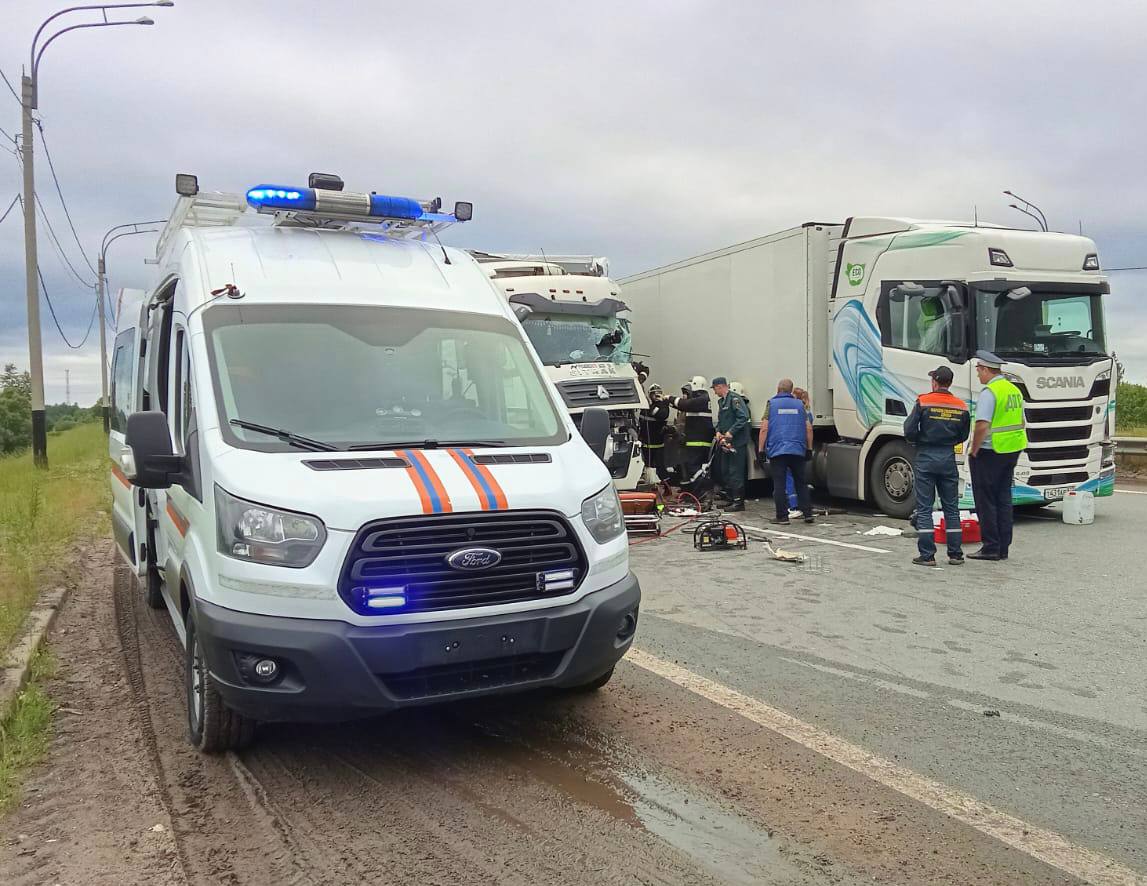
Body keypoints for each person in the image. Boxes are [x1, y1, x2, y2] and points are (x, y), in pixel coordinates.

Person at [903, 366, 971, 567]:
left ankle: (927, 555)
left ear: (935, 382)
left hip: (926, 456)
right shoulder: (961, 406)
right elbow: (964, 435)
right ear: (949, 383)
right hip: (948, 457)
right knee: (951, 508)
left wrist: (918, 441)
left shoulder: (923, 401)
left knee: (924, 508)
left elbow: (909, 429)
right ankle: (955, 554)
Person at [968, 350, 1028, 561]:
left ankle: (990, 546)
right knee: (1003, 498)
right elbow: (1021, 421)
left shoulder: (990, 392)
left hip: (990, 450)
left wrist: (974, 449)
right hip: (1012, 449)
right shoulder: (1013, 390)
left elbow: (982, 424)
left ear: (986, 369)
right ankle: (1003, 546)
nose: (978, 375)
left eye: (979, 371)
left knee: (986, 500)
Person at [759, 378, 814, 525]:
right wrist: (809, 448)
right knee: (801, 482)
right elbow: (808, 428)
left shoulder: (771, 404)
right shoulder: (800, 405)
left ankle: (782, 517)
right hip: (797, 449)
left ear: (778, 388)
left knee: (779, 484)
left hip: (778, 450)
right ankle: (808, 514)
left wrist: (761, 450)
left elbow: (764, 428)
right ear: (791, 390)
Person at [711, 377, 750, 511]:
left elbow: (743, 417)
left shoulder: (734, 399)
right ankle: (730, 498)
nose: (714, 392)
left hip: (737, 443)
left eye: (715, 389)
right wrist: (718, 431)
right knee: (725, 470)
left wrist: (731, 432)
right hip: (725, 443)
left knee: (735, 471)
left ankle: (739, 502)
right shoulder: (722, 402)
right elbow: (722, 420)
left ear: (720, 387)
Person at [668, 376, 715, 481]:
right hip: (696, 442)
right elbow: (684, 406)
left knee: (694, 467)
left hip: (698, 442)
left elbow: (685, 404)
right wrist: (670, 403)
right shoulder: (702, 399)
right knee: (691, 467)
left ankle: (700, 489)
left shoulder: (701, 399)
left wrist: (669, 398)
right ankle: (696, 489)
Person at [638, 383, 671, 483]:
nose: (656, 396)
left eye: (658, 394)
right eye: (654, 394)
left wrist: (660, 403)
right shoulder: (646, 408)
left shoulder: (663, 407)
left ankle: (667, 487)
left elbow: (662, 415)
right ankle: (650, 485)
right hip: (646, 444)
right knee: (647, 467)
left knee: (660, 467)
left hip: (658, 445)